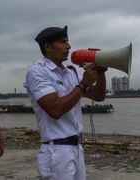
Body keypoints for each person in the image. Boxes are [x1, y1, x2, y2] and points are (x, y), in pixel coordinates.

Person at [23, 25, 107, 180]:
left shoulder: (70, 72)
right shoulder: (37, 72)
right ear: (47, 47)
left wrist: (101, 73)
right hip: (57, 151)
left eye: (67, 41)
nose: (68, 46)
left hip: (76, 147)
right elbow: (55, 110)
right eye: (62, 42)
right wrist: (83, 85)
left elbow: (99, 96)